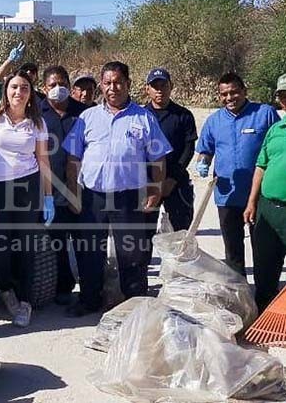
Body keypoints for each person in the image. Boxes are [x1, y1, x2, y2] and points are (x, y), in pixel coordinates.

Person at [63, 61, 172, 317]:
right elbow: (72, 160)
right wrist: (72, 192)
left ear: (128, 84)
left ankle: (134, 304)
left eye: (118, 82)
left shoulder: (144, 118)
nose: (113, 88)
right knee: (89, 250)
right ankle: (89, 300)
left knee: (131, 252)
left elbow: (158, 158)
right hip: (92, 197)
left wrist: (155, 190)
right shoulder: (87, 118)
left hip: (129, 197)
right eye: (108, 82)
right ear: (101, 85)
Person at [0, 70, 53, 327]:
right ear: (5, 91)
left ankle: (26, 302)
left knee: (27, 245)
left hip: (26, 188)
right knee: (0, 246)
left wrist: (48, 197)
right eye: (14, 87)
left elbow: (43, 161)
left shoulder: (37, 123)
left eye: (25, 88)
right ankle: (7, 290)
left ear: (31, 94)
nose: (19, 92)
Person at [195, 73, 280, 276]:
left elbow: (278, 142)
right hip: (227, 196)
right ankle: (238, 294)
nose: (229, 98)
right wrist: (203, 163)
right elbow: (205, 150)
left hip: (260, 195)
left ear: (244, 91)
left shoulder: (265, 113)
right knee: (233, 252)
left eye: (234, 92)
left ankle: (263, 295)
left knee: (263, 250)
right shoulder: (214, 121)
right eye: (224, 94)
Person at [39, 65, 87, 306]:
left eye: (62, 83)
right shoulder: (37, 114)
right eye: (52, 85)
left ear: (69, 85)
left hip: (81, 188)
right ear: (43, 89)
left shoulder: (85, 113)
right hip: (49, 189)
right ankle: (63, 287)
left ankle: (89, 290)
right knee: (56, 241)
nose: (58, 89)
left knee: (84, 240)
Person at [142, 68, 197, 234]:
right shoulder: (140, 116)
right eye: (155, 86)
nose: (159, 90)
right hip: (147, 182)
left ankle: (179, 261)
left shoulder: (183, 115)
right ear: (147, 89)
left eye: (163, 85)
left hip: (175, 181)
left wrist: (172, 178)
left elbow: (188, 148)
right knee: (144, 234)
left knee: (180, 233)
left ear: (171, 86)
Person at [245, 112, 286, 309]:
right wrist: (252, 201)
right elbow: (261, 166)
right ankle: (263, 314)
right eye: (284, 96)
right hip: (268, 208)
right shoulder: (275, 129)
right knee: (265, 268)